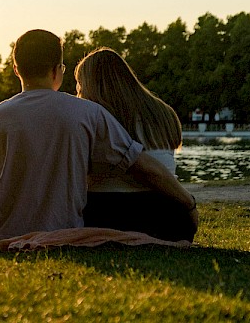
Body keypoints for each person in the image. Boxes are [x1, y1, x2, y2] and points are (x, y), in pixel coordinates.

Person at [0, 29, 197, 248]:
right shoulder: (90, 113)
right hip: (64, 224)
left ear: (16, 69)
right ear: (58, 70)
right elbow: (141, 164)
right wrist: (188, 203)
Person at [75, 47, 194, 241]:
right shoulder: (164, 112)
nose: (78, 92)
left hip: (112, 215)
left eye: (80, 85)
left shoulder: (97, 119)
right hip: (171, 216)